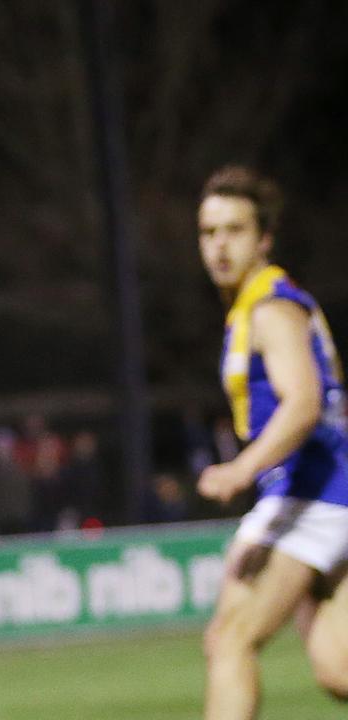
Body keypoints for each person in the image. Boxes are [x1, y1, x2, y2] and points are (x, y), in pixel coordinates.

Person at [195, 165, 348, 718]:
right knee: (338, 670)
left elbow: (303, 402)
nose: (219, 246)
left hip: (314, 493)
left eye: (235, 230)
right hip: (326, 490)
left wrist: (241, 470)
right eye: (209, 232)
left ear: (264, 239)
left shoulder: (270, 307)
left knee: (230, 639)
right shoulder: (257, 305)